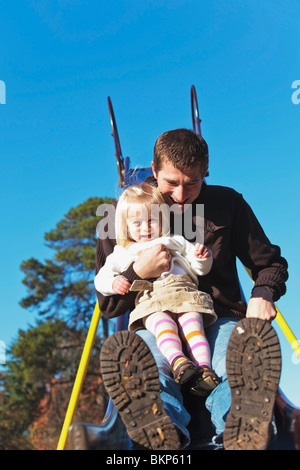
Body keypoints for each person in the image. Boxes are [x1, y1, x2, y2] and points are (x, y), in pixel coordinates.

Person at [96, 128, 288, 450]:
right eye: (171, 183)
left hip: (218, 314)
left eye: (193, 183)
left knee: (233, 358)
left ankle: (239, 429)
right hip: (153, 315)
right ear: (154, 172)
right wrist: (137, 271)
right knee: (148, 364)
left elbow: (269, 263)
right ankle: (160, 433)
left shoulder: (227, 203)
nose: (182, 195)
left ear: (206, 173)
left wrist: (262, 294)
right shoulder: (124, 214)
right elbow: (108, 304)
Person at [95, 182, 220, 395]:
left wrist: (202, 258)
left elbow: (199, 268)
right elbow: (101, 278)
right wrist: (114, 284)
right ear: (125, 227)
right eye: (136, 223)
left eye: (151, 220)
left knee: (194, 329)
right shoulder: (123, 252)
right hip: (152, 301)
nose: (145, 228)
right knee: (164, 327)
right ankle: (178, 361)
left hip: (185, 296)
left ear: (163, 219)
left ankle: (204, 370)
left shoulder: (175, 241)